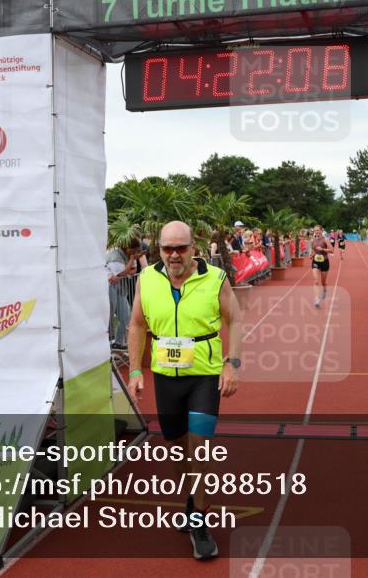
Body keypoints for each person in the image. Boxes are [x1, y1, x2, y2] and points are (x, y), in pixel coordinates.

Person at [127, 221, 241, 561]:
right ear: (158, 250)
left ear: (195, 248)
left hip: (204, 375)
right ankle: (190, 501)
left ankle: (199, 520)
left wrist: (231, 364)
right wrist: (135, 369)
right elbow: (136, 324)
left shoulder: (215, 278)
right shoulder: (147, 279)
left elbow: (235, 319)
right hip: (165, 376)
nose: (174, 255)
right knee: (177, 450)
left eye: (181, 248)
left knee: (200, 447)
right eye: (167, 249)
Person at [106, 239, 140, 350]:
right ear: (127, 248)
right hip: (110, 286)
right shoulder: (115, 255)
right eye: (133, 250)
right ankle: (109, 343)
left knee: (126, 316)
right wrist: (130, 261)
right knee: (109, 315)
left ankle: (119, 342)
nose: (134, 253)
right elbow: (121, 273)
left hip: (120, 287)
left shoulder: (128, 255)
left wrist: (125, 271)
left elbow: (132, 270)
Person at [310, 225, 331, 308]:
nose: (316, 232)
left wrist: (322, 250)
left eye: (318, 230)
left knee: (323, 282)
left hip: (324, 261)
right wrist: (312, 254)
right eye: (315, 230)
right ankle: (317, 299)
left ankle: (325, 289)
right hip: (315, 261)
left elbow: (331, 250)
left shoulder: (325, 240)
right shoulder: (313, 240)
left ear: (321, 230)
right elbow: (313, 249)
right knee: (315, 281)